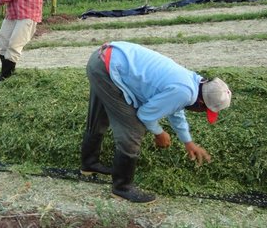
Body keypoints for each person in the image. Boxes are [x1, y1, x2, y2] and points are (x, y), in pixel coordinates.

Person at [80, 41, 232, 203]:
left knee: (100, 114)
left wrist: (188, 142)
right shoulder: (185, 93)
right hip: (108, 69)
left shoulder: (193, 82)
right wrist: (159, 133)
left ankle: (89, 164)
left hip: (104, 59)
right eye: (205, 111)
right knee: (134, 128)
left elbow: (176, 110)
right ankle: (121, 187)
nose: (202, 113)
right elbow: (145, 115)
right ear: (202, 104)